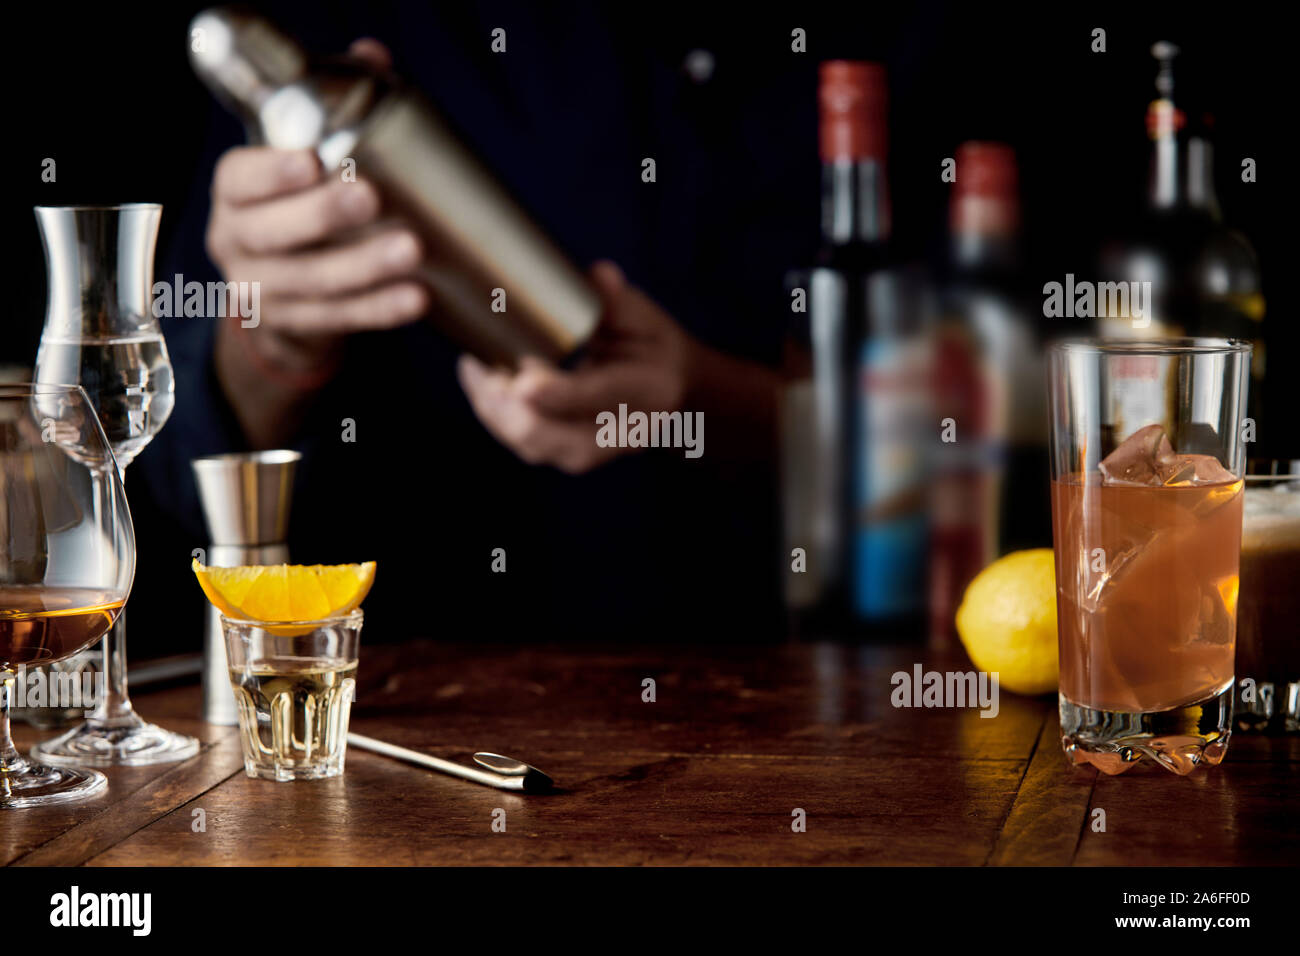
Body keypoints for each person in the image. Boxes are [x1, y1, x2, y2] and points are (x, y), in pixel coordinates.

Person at [131, 6, 818, 649]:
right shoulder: (350, 30)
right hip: (422, 704)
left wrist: (711, 401)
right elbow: (180, 472)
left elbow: (922, 456)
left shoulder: (897, 35)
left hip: (820, 694)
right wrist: (276, 338)